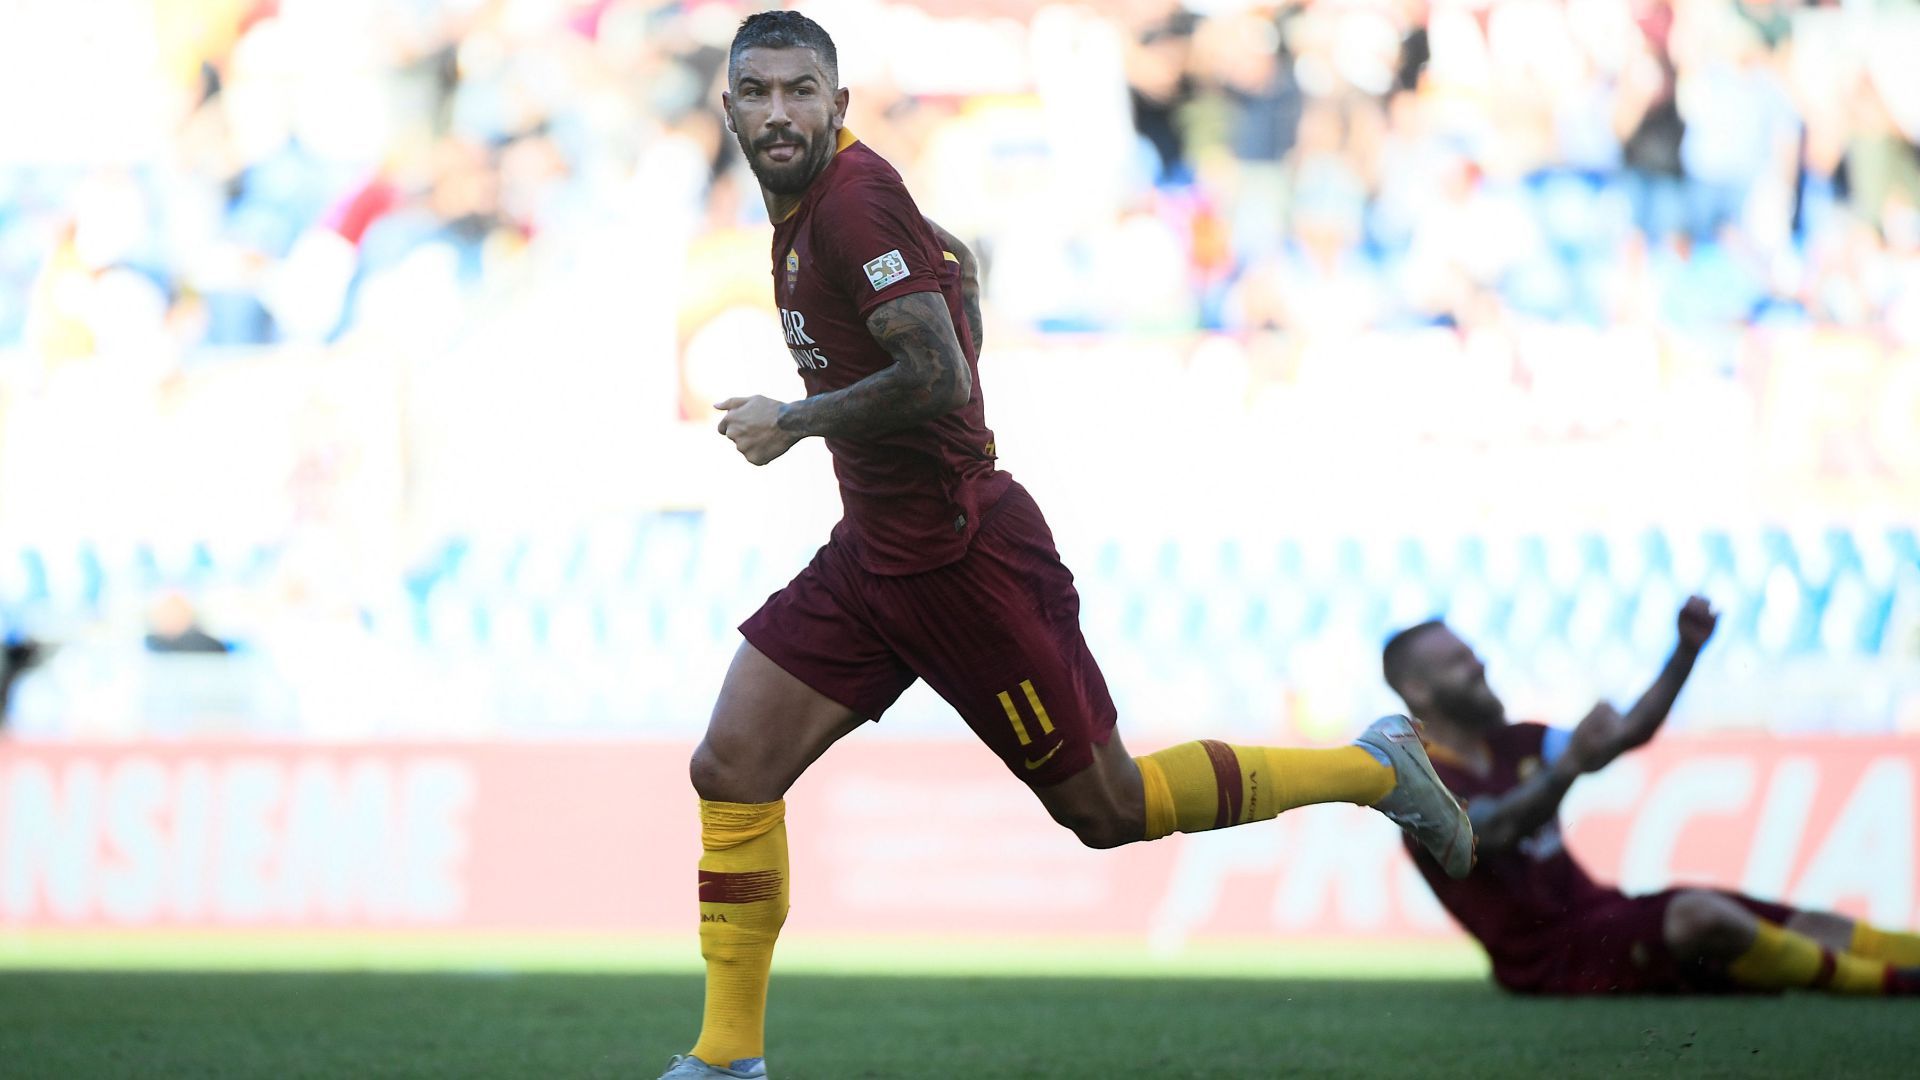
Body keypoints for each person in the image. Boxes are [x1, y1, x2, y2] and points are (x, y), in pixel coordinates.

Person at [660, 12, 1476, 1079]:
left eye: (800, 92)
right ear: (727, 108)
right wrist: (956, 299)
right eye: (757, 92)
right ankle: (727, 1061)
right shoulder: (821, 205)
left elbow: (940, 375)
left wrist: (796, 420)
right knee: (731, 767)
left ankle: (1374, 768)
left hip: (962, 559)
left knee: (1110, 808)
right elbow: (949, 298)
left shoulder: (851, 201)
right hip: (874, 555)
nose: (778, 112)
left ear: (837, 105)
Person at [1383, 596, 1920, 997]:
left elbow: (1626, 732)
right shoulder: (1418, 784)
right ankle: (1891, 985)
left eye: (1473, 654)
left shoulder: (1518, 742)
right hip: (1552, 961)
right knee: (1698, 917)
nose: (1479, 666)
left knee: (1792, 920)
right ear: (1420, 690)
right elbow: (1489, 830)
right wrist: (1569, 766)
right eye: (1458, 663)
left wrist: (1684, 652)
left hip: (1605, 913)